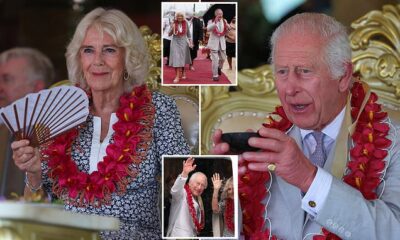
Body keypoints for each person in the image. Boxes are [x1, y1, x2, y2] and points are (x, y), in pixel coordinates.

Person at [212, 13, 400, 239]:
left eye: (304, 71)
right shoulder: (263, 146)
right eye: (282, 72)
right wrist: (229, 188)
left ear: (343, 76)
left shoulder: (392, 144)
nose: (290, 89)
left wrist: (308, 179)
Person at [11, 8, 190, 239]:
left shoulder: (157, 109)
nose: (97, 61)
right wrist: (34, 174)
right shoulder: (60, 112)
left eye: (109, 50)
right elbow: (34, 208)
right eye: (88, 50)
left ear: (128, 58)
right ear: (79, 58)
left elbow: (183, 185)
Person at [0, 47, 53, 198]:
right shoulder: (2, 129)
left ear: (37, 88)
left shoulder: (58, 134)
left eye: (7, 79)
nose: (0, 87)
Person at [167, 157, 207, 237]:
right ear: (189, 183)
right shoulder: (183, 193)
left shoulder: (199, 200)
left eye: (202, 185)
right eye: (197, 183)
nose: (199, 187)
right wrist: (184, 174)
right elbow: (174, 191)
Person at [168, 12, 193, 83]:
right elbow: (169, 34)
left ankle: (183, 71)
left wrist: (190, 42)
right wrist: (172, 28)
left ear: (183, 17)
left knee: (182, 58)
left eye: (181, 16)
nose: (179, 18)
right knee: (176, 58)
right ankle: (177, 76)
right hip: (175, 42)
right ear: (176, 17)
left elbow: (189, 35)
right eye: (178, 16)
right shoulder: (173, 23)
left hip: (183, 42)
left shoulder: (186, 23)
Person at [206, 9, 229, 81]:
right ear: (215, 14)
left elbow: (226, 32)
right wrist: (215, 22)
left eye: (221, 13)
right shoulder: (211, 21)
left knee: (223, 58)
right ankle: (215, 75)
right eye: (219, 14)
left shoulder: (224, 20)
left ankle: (219, 67)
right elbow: (208, 29)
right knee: (215, 60)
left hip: (222, 43)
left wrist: (228, 28)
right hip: (214, 43)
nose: (220, 15)